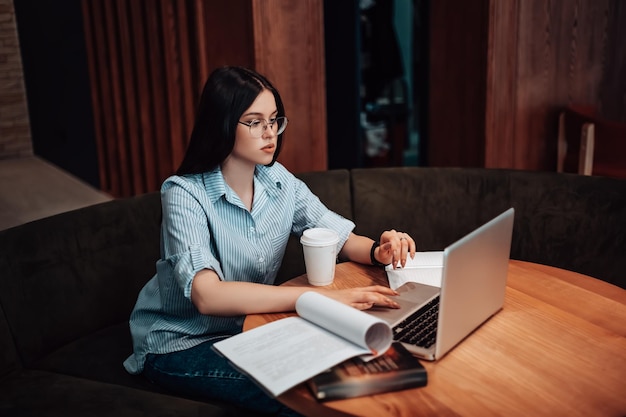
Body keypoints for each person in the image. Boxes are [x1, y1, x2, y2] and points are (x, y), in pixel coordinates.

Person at [123, 66, 416, 416]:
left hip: (251, 328)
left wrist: (378, 251)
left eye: (275, 120)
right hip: (179, 343)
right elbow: (207, 295)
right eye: (255, 122)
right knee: (299, 396)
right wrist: (318, 299)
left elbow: (336, 235)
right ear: (223, 123)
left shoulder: (279, 180)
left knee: (351, 366)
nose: (269, 133)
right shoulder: (183, 193)